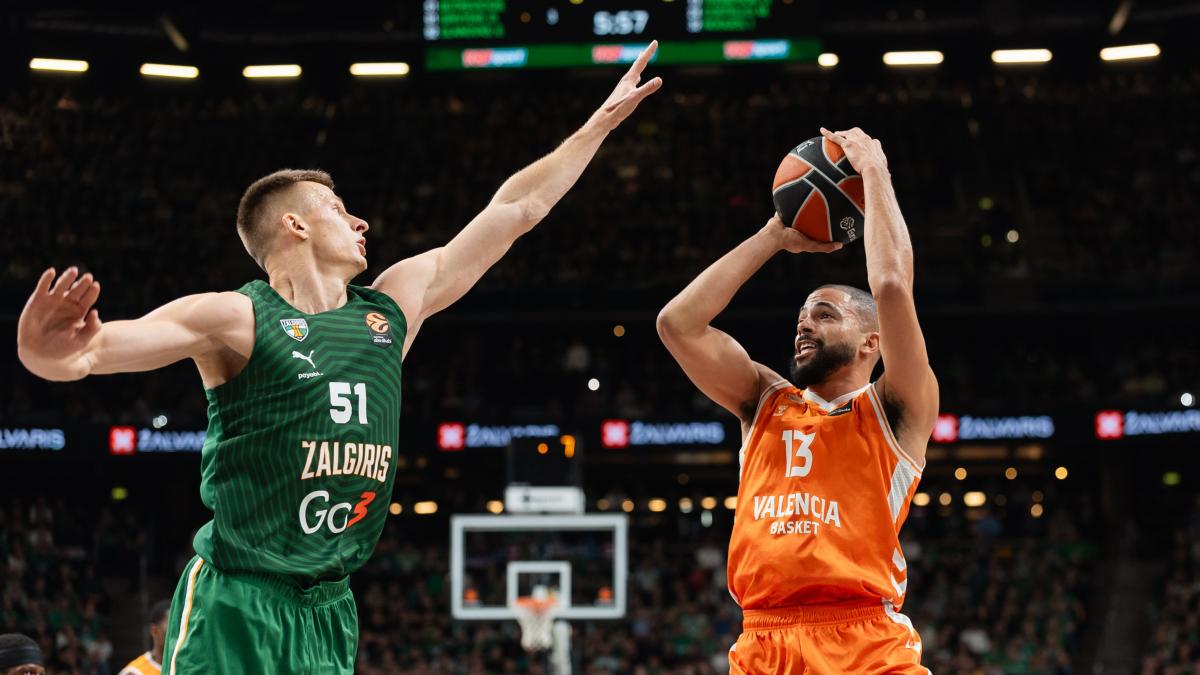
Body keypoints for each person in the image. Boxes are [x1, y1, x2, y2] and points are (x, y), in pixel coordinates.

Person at [16, 43, 662, 675]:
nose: (362, 223)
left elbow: (516, 210)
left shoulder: (392, 307)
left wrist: (594, 129)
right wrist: (45, 351)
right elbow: (97, 350)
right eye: (339, 210)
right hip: (239, 600)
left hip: (329, 606)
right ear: (295, 226)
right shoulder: (237, 317)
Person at [657, 127, 937, 673]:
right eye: (802, 317)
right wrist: (772, 236)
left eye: (824, 315)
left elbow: (891, 287)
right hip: (763, 642)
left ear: (871, 342)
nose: (805, 325)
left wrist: (874, 171)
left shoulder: (897, 407)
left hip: (863, 644)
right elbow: (677, 324)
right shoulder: (764, 400)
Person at [118, 599, 171, 675]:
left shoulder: (185, 667)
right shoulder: (135, 672)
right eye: (172, 625)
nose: (178, 631)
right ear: (154, 631)